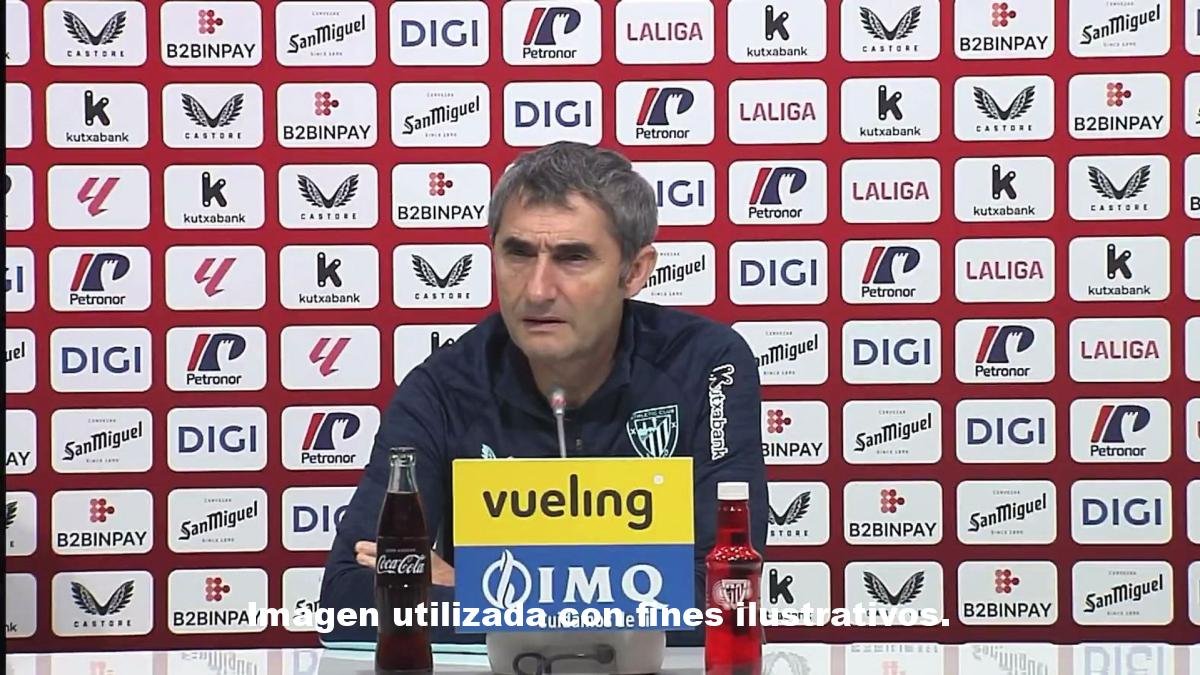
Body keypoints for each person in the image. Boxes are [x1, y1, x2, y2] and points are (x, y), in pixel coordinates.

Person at [318, 141, 767, 646]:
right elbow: (346, 603)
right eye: (518, 253)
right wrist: (606, 601)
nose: (537, 290)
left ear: (635, 271)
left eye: (573, 258)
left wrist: (475, 592)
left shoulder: (706, 365)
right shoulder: (444, 386)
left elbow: (724, 601)